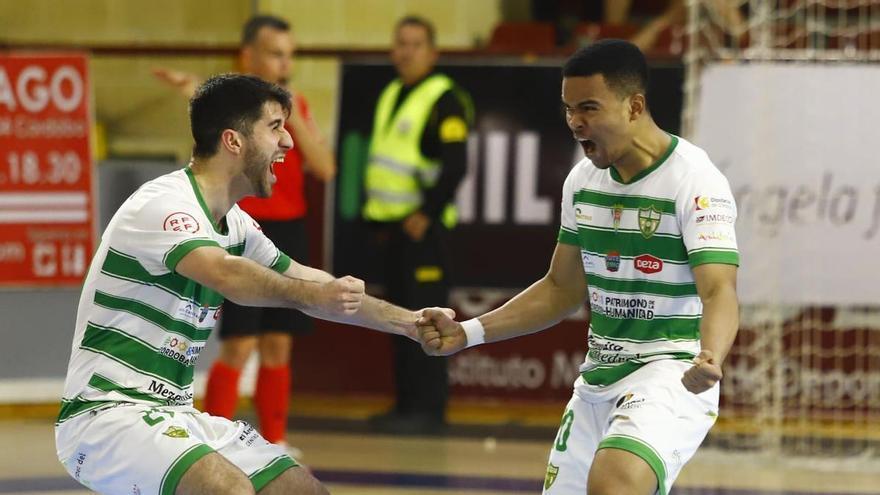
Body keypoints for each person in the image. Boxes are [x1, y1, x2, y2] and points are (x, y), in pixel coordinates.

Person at [55, 74, 449, 495]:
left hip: (175, 415)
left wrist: (410, 322)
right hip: (105, 416)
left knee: (301, 490)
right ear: (234, 141)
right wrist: (314, 294)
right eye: (275, 127)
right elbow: (227, 273)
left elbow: (312, 282)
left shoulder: (238, 225)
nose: (289, 143)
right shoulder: (165, 205)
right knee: (227, 489)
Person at [418, 39, 739, 495]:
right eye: (569, 109)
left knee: (615, 483)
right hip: (597, 379)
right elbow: (560, 289)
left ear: (635, 106)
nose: (575, 122)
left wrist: (711, 355)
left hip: (672, 372)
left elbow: (719, 290)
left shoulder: (695, 180)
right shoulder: (583, 180)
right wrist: (468, 332)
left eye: (588, 108)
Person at [154, 15, 335, 453]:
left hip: (290, 227)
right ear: (248, 55)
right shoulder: (232, 110)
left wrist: (291, 114)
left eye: (290, 56)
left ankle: (275, 439)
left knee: (278, 342)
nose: (284, 64)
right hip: (245, 227)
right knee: (238, 343)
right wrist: (190, 90)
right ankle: (213, 438)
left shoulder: (294, 109)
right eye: (275, 54)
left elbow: (324, 167)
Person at [362, 15, 473, 434]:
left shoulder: (444, 98)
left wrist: (425, 213)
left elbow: (457, 164)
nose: (406, 52)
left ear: (433, 52)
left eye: (415, 44)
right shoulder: (392, 92)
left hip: (424, 233)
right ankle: (406, 406)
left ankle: (429, 409)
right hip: (392, 229)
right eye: (401, 43)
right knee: (400, 320)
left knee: (427, 320)